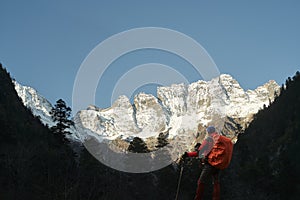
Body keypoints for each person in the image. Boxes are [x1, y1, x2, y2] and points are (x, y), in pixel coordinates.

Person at [183, 126, 221, 200]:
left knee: (201, 181)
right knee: (216, 182)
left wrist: (187, 154)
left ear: (208, 132)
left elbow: (198, 153)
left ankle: (198, 198)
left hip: (209, 164)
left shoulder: (208, 140)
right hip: (218, 164)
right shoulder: (218, 140)